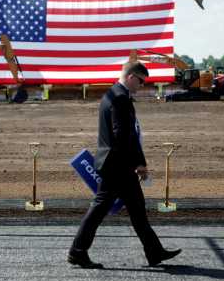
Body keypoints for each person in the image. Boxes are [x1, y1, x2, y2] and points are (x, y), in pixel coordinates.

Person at [68, 61, 182, 269]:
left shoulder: (111, 94)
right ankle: (77, 251)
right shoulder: (120, 98)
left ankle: (154, 251)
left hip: (113, 162)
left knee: (136, 209)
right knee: (101, 209)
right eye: (140, 81)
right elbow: (124, 136)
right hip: (117, 165)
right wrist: (138, 163)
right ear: (131, 77)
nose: (141, 86)